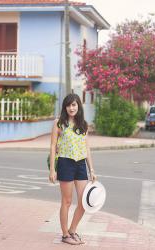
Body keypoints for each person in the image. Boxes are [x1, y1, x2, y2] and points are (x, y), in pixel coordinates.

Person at [49, 93, 96, 245]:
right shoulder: (59, 123)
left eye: (74, 105)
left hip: (81, 164)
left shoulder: (83, 124)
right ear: (65, 107)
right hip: (65, 162)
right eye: (69, 105)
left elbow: (87, 148)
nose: (71, 108)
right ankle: (64, 235)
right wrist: (52, 169)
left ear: (78, 106)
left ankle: (72, 230)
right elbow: (53, 146)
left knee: (84, 202)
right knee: (67, 201)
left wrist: (92, 170)